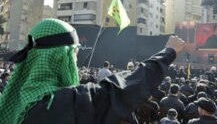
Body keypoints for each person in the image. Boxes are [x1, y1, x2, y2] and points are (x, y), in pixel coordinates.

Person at [0, 18, 185, 124]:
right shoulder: (63, 102)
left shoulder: (12, 101)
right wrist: (168, 53)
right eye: (74, 53)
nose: (74, 60)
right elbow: (121, 90)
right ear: (58, 57)